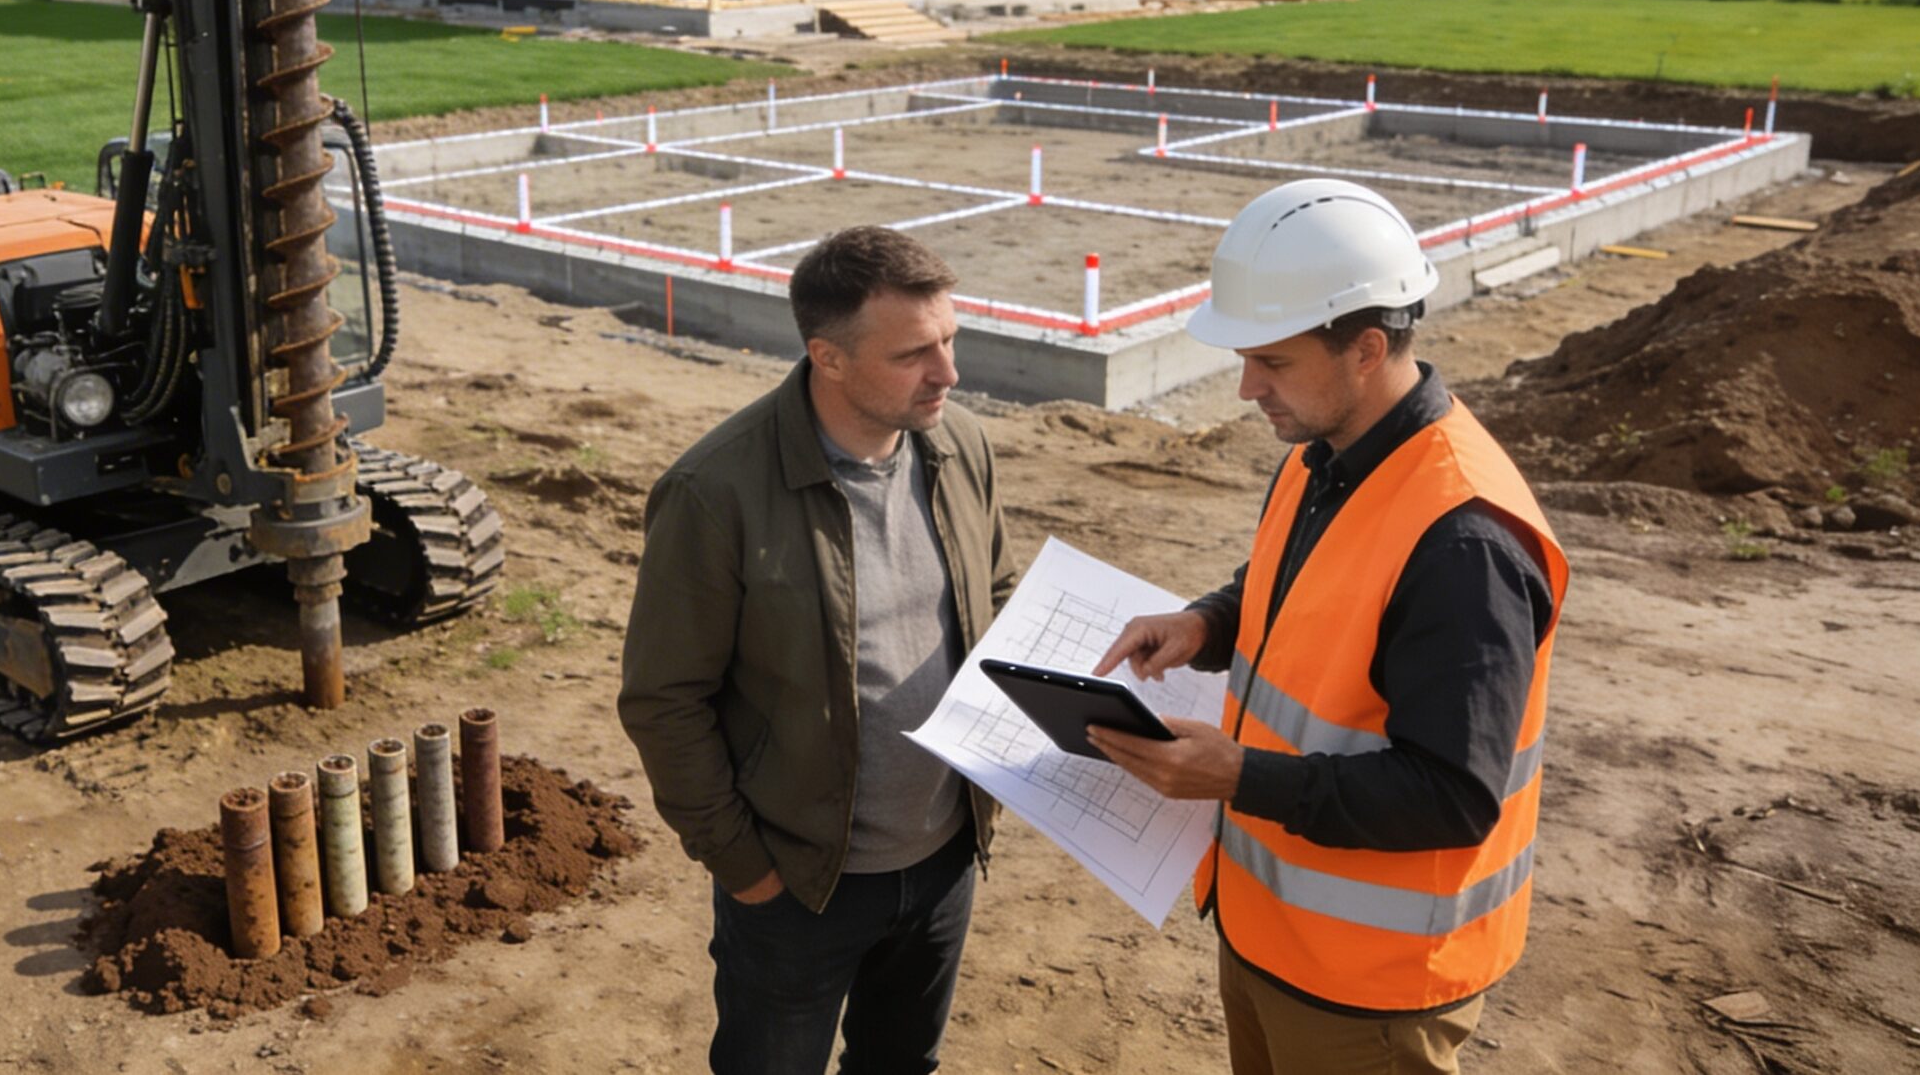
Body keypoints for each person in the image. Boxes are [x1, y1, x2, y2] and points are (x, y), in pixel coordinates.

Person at [1085, 179, 1568, 1075]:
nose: (1246, 388)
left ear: (1366, 349)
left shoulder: (1464, 543)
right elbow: (1299, 589)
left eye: (1271, 361)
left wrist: (1238, 775)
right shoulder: (1327, 457)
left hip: (1373, 990)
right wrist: (1206, 624)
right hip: (1272, 936)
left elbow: (1452, 796)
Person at [619, 225, 1019, 1075]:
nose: (948, 372)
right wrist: (747, 872)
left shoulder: (961, 446)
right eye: (914, 353)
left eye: (950, 339)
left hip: (945, 859)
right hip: (799, 886)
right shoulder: (714, 491)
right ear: (827, 358)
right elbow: (664, 701)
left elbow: (998, 594)